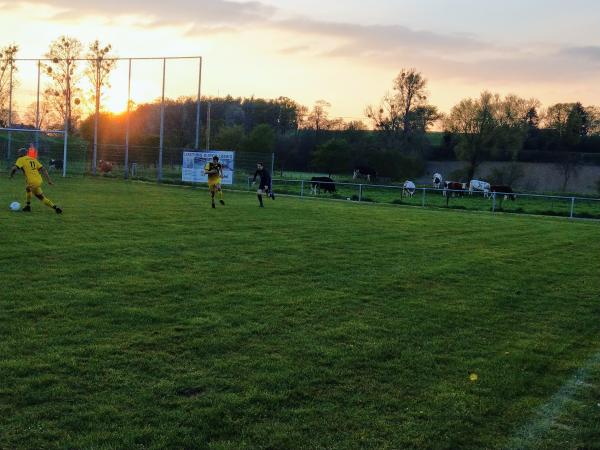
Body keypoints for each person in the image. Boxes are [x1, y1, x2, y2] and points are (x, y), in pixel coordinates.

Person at [9, 148, 62, 214]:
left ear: (22, 154)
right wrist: (49, 180)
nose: (18, 154)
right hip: (39, 180)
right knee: (40, 196)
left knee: (29, 189)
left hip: (32, 181)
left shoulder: (21, 159)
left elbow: (14, 168)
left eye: (19, 153)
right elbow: (44, 170)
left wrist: (11, 175)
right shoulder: (33, 159)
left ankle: (28, 207)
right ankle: (55, 208)